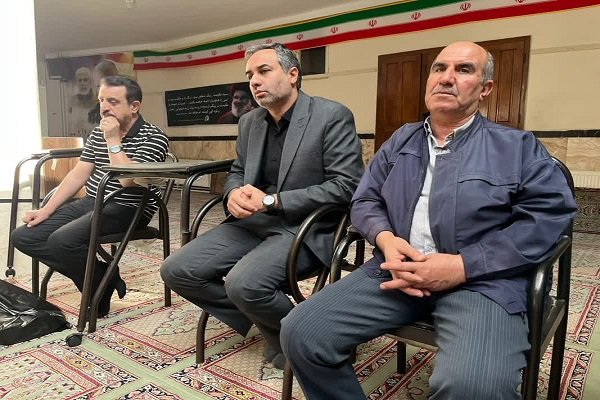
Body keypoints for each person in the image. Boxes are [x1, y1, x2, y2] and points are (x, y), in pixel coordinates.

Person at [280, 41, 577, 399]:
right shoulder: (400, 141)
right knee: (301, 332)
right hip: (396, 271)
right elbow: (365, 199)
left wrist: (463, 266)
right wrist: (386, 239)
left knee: (474, 387)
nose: (446, 78)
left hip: (481, 283)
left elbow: (548, 216)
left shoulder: (516, 147)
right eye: (439, 68)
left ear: (485, 89)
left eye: (463, 70)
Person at [160, 43, 364, 369]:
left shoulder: (331, 116)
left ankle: (298, 334)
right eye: (250, 75)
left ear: (293, 74)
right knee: (177, 270)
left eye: (264, 71)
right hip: (253, 223)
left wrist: (273, 201)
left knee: (244, 284)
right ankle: (285, 330)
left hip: (305, 226)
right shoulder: (250, 122)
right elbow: (238, 171)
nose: (254, 81)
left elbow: (347, 186)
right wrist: (232, 194)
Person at [12, 76, 169, 318]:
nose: (104, 107)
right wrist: (46, 210)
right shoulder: (98, 132)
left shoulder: (154, 137)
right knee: (24, 236)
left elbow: (127, 181)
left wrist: (113, 140)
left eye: (113, 101)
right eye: (101, 100)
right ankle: (103, 276)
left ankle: (98, 289)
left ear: (134, 106)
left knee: (62, 240)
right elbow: (79, 174)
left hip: (129, 207)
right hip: (92, 201)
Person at [88, 59, 119, 126]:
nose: (97, 90)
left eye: (100, 86)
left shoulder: (122, 109)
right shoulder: (94, 113)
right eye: (96, 85)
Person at [68, 66, 97, 138]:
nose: (82, 83)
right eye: (80, 80)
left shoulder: (97, 101)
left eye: (85, 80)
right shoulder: (72, 101)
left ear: (90, 81)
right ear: (77, 82)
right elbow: (72, 124)